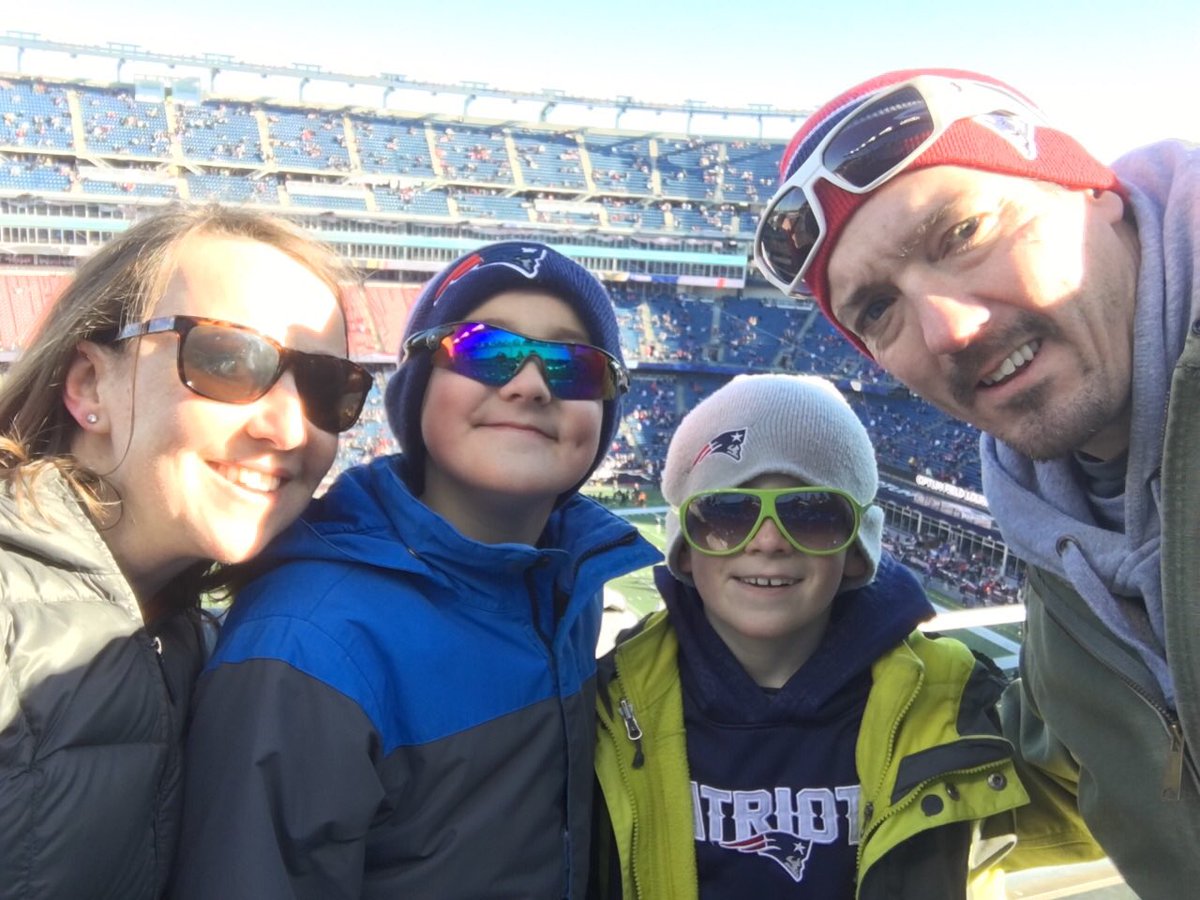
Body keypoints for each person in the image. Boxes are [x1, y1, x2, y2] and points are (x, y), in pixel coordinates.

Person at [753, 68, 1200, 897]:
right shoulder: (1052, 526)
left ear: (1085, 186)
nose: (949, 329)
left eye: (962, 232)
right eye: (878, 309)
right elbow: (1073, 761)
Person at [170, 241, 661, 899]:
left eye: (575, 367)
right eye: (484, 350)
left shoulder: (564, 586)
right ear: (419, 385)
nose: (530, 384)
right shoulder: (305, 643)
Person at [591, 373, 1095, 899]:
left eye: (810, 515)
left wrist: (1065, 543)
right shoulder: (608, 703)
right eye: (727, 513)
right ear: (685, 548)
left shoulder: (955, 706)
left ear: (858, 549)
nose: (767, 541)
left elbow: (1109, 785)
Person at [0, 204, 371, 900]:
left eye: (326, 387)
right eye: (228, 361)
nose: (289, 428)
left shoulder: (189, 641)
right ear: (88, 386)